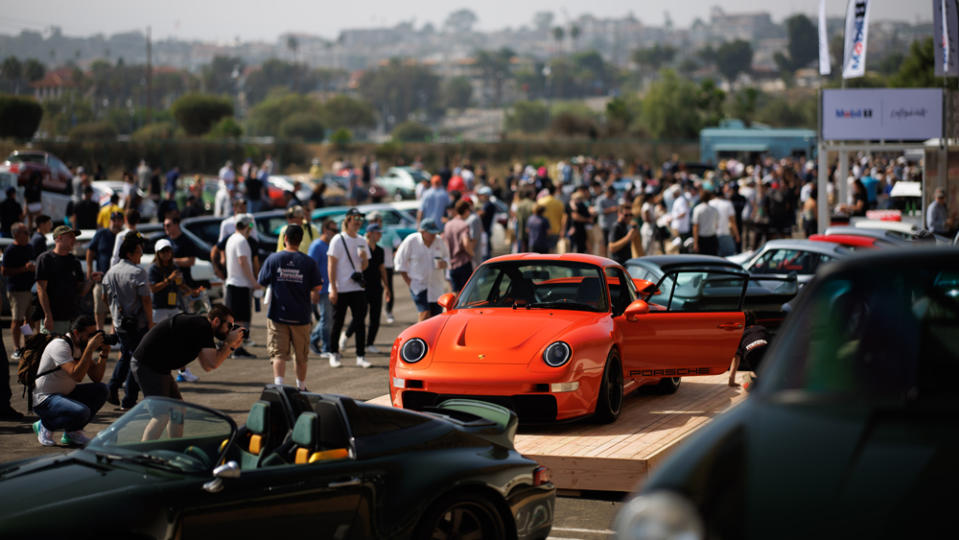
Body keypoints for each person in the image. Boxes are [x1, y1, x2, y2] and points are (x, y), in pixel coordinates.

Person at [132, 304, 243, 439]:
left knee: (178, 409)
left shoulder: (201, 328)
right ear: (216, 321)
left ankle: (174, 447)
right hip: (148, 365)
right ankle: (143, 456)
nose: (229, 330)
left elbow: (207, 366)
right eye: (229, 325)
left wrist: (230, 346)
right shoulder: (203, 327)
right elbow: (212, 364)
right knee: (161, 416)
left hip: (159, 367)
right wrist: (228, 344)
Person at [258, 225, 324, 387]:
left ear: (285, 239)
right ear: (300, 241)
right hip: (301, 316)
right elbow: (317, 287)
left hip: (277, 315)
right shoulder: (308, 262)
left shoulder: (273, 259)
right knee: (301, 356)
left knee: (279, 354)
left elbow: (261, 281)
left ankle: (279, 387)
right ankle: (301, 387)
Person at [31, 314, 110, 446]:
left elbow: (97, 377)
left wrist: (104, 353)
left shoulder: (81, 346)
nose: (92, 338)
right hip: (45, 399)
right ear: (75, 333)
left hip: (65, 395)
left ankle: (72, 433)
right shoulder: (60, 345)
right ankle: (45, 424)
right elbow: (77, 376)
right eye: (89, 334)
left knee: (102, 390)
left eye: (94, 334)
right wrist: (90, 348)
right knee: (81, 411)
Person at [102, 233, 153, 410]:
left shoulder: (111, 272)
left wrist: (115, 313)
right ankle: (129, 399)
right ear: (130, 254)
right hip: (138, 325)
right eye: (138, 252)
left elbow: (104, 297)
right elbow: (146, 300)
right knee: (136, 360)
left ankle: (113, 387)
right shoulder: (138, 272)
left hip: (119, 324)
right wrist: (150, 322)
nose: (141, 255)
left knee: (126, 356)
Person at [328, 209, 372, 368]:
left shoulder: (361, 240)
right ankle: (334, 353)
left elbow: (365, 266)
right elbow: (331, 264)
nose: (358, 221)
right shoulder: (338, 239)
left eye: (360, 218)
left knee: (360, 321)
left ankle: (360, 355)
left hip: (357, 287)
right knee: (337, 322)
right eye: (355, 218)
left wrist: (364, 258)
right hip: (341, 287)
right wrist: (333, 287)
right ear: (347, 220)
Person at [36, 226, 98, 335]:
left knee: (70, 351)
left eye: (74, 237)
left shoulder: (74, 261)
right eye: (71, 237)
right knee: (52, 350)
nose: (74, 240)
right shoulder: (45, 259)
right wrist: (48, 315)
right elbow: (41, 290)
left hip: (72, 319)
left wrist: (91, 280)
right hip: (53, 320)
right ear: (59, 238)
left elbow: (80, 291)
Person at [340, 223, 390, 355]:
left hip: (376, 287)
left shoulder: (380, 250)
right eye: (377, 233)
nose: (379, 235)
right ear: (369, 233)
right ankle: (346, 335)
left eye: (380, 233)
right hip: (362, 287)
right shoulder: (361, 247)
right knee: (360, 315)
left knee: (375, 317)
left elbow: (382, 269)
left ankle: (370, 344)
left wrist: (387, 287)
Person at [395, 218, 450, 322]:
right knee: (425, 313)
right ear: (422, 232)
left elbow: (447, 257)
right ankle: (419, 336)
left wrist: (444, 263)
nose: (434, 236)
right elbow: (399, 261)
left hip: (436, 286)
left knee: (436, 317)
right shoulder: (411, 241)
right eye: (431, 233)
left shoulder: (439, 241)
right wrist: (409, 282)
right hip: (418, 285)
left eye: (435, 233)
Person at [224, 215, 260, 358]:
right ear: (248, 227)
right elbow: (243, 261)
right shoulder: (241, 241)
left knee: (236, 318)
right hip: (240, 284)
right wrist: (253, 281)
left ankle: (234, 348)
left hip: (234, 283)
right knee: (240, 319)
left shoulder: (232, 238)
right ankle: (236, 349)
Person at [86, 211, 124, 332]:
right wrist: (89, 269)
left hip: (118, 280)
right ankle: (100, 333)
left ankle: (114, 334)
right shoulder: (101, 233)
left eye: (118, 220)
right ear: (110, 220)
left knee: (117, 309)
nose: (116, 223)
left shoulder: (124, 236)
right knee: (99, 308)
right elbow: (90, 251)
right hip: (101, 279)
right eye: (113, 220)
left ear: (122, 222)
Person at [2, 223, 36, 357]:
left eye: (28, 232)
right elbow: (4, 271)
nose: (27, 235)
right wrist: (23, 269)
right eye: (25, 233)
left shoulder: (29, 248)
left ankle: (27, 344)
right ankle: (16, 347)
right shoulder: (11, 250)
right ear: (16, 235)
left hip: (30, 289)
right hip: (17, 291)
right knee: (17, 320)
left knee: (30, 320)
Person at [308, 219, 337, 356]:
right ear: (325, 230)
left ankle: (313, 340)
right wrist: (313, 289)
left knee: (328, 318)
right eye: (334, 230)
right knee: (326, 318)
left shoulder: (329, 245)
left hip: (330, 287)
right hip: (321, 288)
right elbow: (310, 267)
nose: (336, 233)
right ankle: (326, 348)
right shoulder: (317, 246)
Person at [367, 211, 401, 324]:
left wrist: (394, 254)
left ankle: (389, 311)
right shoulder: (369, 233)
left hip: (387, 265)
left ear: (379, 221)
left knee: (389, 288)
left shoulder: (389, 231)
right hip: (373, 267)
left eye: (374, 220)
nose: (371, 222)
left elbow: (398, 245)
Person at [443, 199, 475, 293]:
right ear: (466, 211)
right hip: (463, 263)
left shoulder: (448, 225)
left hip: (451, 264)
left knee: (455, 294)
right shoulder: (463, 225)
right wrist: (472, 254)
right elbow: (466, 243)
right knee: (467, 294)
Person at [537, 185, 565, 252]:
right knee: (552, 254)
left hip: (542, 231)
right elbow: (563, 218)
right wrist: (562, 230)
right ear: (555, 192)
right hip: (555, 230)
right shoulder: (559, 203)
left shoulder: (540, 202)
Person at [692, 190, 720, 256]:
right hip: (712, 237)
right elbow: (716, 225)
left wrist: (695, 243)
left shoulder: (697, 209)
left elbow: (695, 227)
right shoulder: (714, 209)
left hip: (702, 239)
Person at [595, 185, 619, 258]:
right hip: (604, 225)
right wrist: (611, 209)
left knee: (612, 241)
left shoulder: (614, 199)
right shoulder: (600, 199)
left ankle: (611, 257)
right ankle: (604, 257)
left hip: (613, 224)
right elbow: (599, 211)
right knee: (604, 242)